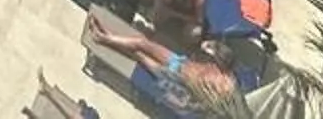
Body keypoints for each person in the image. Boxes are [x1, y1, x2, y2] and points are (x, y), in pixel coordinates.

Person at [81, 15, 234, 112]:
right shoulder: (225, 79)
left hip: (172, 75)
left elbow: (193, 101)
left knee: (139, 54)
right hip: (179, 64)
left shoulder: (216, 94)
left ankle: (104, 37)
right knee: (142, 44)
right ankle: (104, 36)